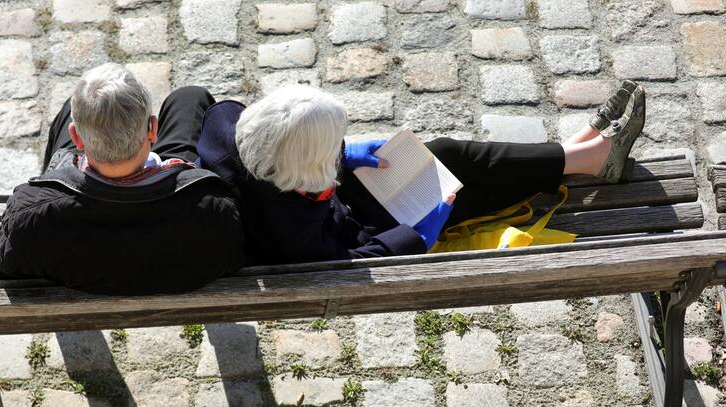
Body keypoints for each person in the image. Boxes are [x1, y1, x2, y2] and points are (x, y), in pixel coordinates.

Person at [196, 81, 645, 265]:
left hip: (320, 191)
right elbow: (348, 264)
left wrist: (341, 157)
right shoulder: (291, 232)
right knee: (452, 189)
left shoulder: (224, 131)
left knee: (444, 154)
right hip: (355, 226)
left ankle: (578, 152)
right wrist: (420, 237)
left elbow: (191, 98)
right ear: (307, 169)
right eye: (329, 148)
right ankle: (591, 157)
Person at [0, 63, 246, 295]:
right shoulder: (214, 209)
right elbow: (232, 255)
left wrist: (6, 249)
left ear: (76, 138)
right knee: (191, 97)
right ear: (152, 129)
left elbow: (4, 264)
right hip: (173, 204)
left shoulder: (31, 217)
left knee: (72, 106)